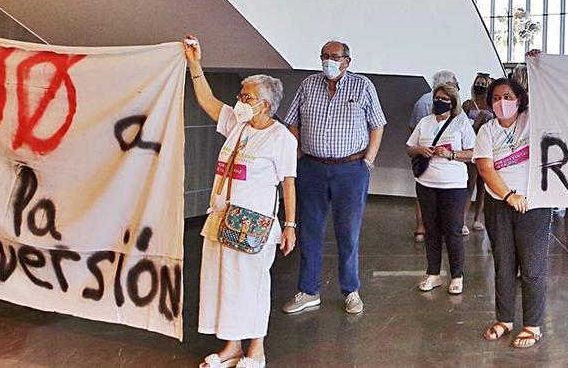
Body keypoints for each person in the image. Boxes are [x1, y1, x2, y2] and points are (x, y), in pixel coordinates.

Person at [185, 37, 298, 368]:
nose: (239, 102)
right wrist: (195, 64)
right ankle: (231, 346)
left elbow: (288, 183)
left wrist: (290, 225)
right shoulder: (237, 123)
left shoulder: (281, 138)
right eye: (240, 96)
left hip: (253, 224)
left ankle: (255, 351)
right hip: (220, 217)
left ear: (264, 103)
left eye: (246, 97)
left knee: (252, 285)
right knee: (223, 283)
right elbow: (206, 100)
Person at [281, 40, 386, 316]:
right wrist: (299, 150)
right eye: (324, 56)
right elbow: (292, 121)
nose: (329, 61)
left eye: (335, 57)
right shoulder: (308, 85)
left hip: (351, 170)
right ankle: (308, 291)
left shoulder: (362, 86)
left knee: (347, 232)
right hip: (312, 168)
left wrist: (368, 163)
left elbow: (377, 125)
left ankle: (350, 290)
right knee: (310, 231)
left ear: (347, 61)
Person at [475, 77, 549, 349]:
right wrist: (509, 195)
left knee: (532, 267)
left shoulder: (533, 121)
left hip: (535, 204)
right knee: (504, 265)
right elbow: (485, 168)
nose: (501, 103)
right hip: (500, 204)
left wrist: (538, 66)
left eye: (508, 97)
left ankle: (532, 325)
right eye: (495, 98)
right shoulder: (487, 130)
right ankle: (504, 319)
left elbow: (548, 95)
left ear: (519, 99)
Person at [407, 82, 476, 294]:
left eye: (445, 100)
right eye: (437, 98)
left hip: (453, 185)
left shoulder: (461, 124)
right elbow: (410, 149)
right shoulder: (424, 122)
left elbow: (473, 153)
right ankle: (433, 273)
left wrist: (451, 155)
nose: (440, 102)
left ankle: (457, 275)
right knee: (432, 230)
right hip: (426, 184)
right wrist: (420, 149)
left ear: (453, 103)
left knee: (453, 231)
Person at [410, 70, 460, 243]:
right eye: (454, 84)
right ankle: (425, 227)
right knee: (426, 194)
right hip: (428, 157)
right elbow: (415, 132)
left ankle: (421, 228)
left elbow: (412, 129)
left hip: (433, 158)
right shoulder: (427, 106)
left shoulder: (422, 101)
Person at [463, 73, 495, 231]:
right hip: (472, 149)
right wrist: (477, 122)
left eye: (484, 83)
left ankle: (477, 219)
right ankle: (462, 221)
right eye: (478, 83)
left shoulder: (492, 106)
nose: (480, 86)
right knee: (470, 184)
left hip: (487, 149)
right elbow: (463, 129)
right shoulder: (468, 105)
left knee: (483, 186)